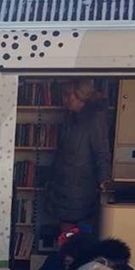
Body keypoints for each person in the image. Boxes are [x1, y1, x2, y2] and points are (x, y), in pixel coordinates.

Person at [41, 79, 112, 236]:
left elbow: (102, 152)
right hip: (66, 185)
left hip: (79, 187)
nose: (65, 100)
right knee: (67, 235)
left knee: (72, 236)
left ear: (81, 96)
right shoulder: (71, 117)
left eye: (68, 95)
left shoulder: (94, 119)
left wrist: (104, 180)